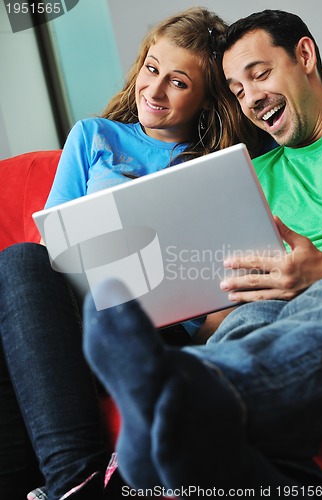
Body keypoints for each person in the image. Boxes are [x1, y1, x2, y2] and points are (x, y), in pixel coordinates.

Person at [0, 7, 257, 500]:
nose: (155, 90)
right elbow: (49, 243)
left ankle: (72, 482)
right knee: (19, 260)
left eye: (178, 82)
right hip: (79, 313)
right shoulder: (94, 136)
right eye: (151, 68)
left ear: (207, 98)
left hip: (163, 330)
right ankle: (76, 481)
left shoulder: (218, 166)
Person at [82, 9, 322, 498]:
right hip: (263, 313)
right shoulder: (247, 174)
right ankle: (181, 411)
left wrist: (321, 268)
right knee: (247, 321)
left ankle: (174, 404)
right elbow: (222, 311)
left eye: (260, 74)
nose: (253, 98)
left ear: (304, 56)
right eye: (238, 91)